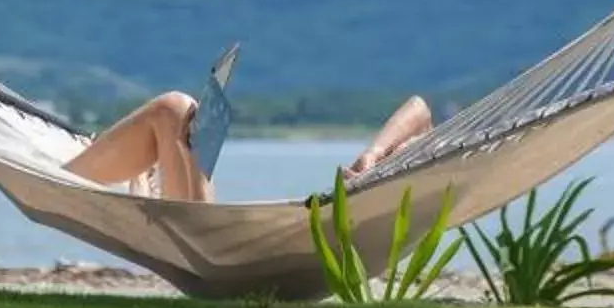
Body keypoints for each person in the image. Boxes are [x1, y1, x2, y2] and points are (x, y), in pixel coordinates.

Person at [66, 91, 436, 199]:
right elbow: (420, 109)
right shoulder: (389, 167)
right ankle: (139, 170)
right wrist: (371, 155)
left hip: (207, 243)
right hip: (210, 227)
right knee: (182, 113)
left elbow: (421, 114)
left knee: (174, 108)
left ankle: (64, 177)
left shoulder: (379, 203)